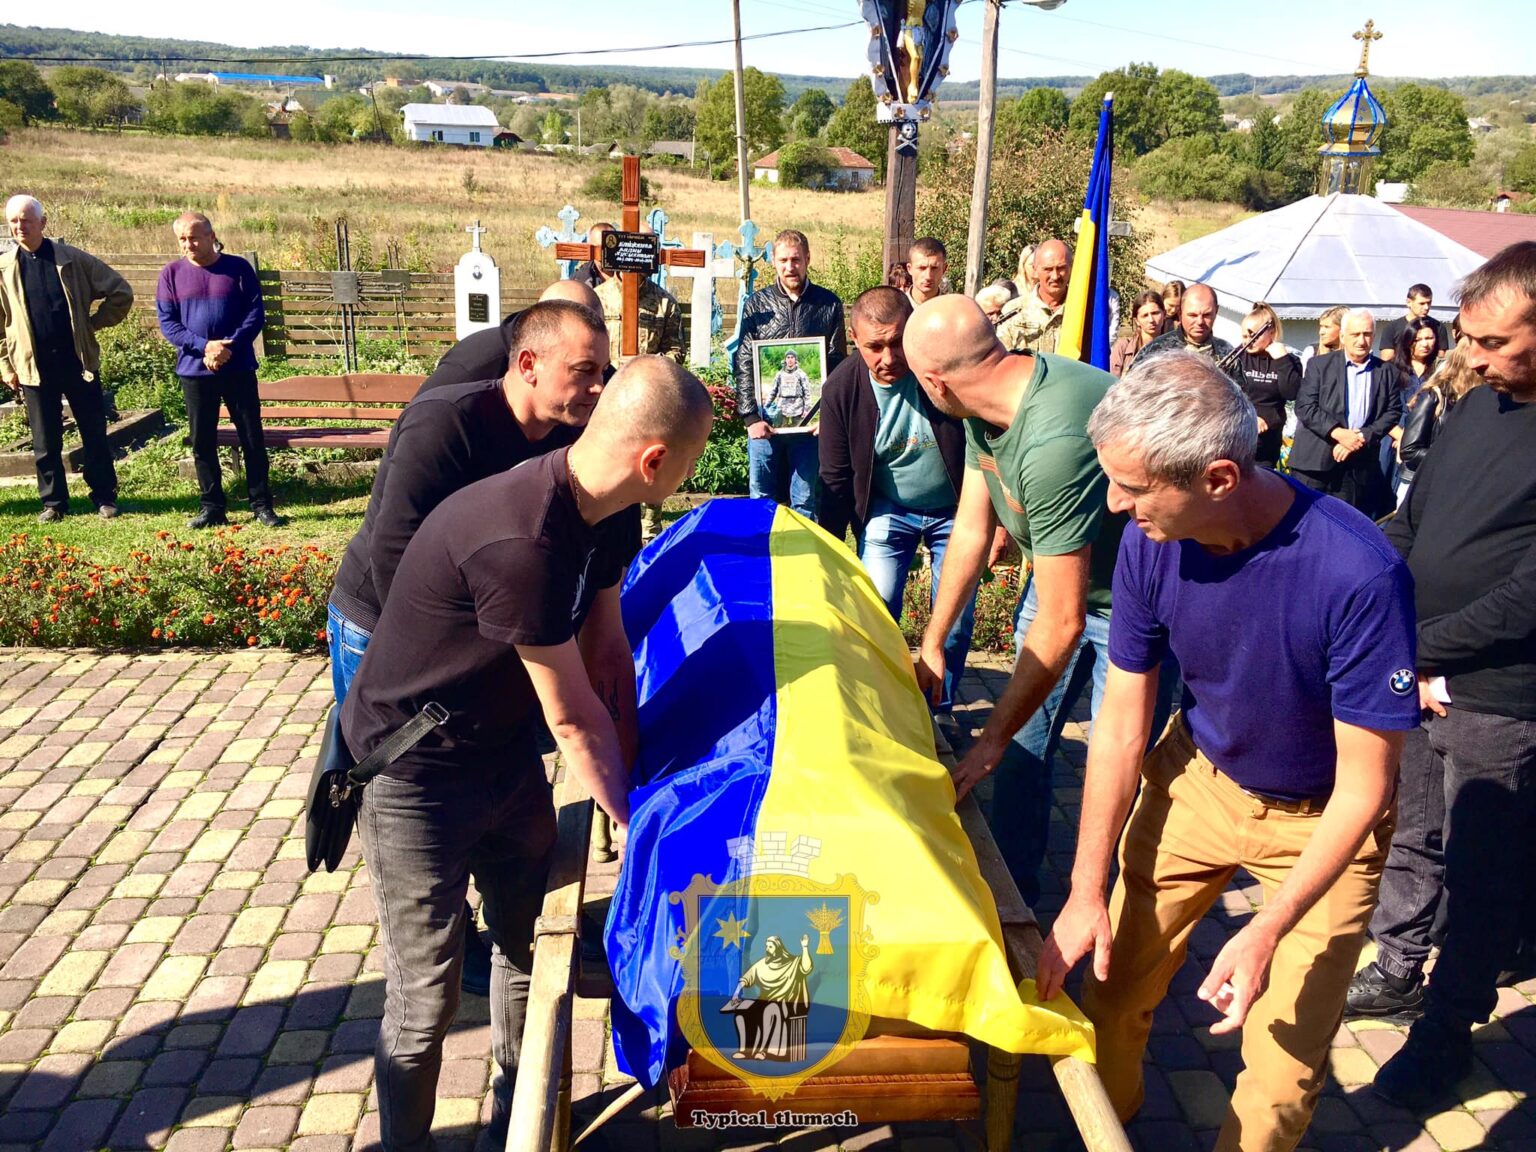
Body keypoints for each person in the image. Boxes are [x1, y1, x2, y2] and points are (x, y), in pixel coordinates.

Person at [1037, 350, 1417, 1152]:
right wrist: (1082, 888)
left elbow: (1366, 788)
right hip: (1198, 781)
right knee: (1112, 993)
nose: (1115, 503)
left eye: (1134, 487)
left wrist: (1270, 925)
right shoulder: (1150, 539)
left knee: (1280, 1076)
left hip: (1324, 825)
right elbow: (1121, 723)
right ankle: (1113, 1130)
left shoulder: (1358, 574)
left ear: (1216, 479)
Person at [341, 355, 712, 1152]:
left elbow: (607, 653)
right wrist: (642, 825)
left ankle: (522, 1117)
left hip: (501, 755)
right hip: (416, 777)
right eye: (692, 457)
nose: (692, 471)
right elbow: (574, 719)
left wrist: (640, 765)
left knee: (524, 946)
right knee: (426, 996)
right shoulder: (522, 537)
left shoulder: (608, 506)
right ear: (655, 460)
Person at [327, 301, 618, 998]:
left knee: (487, 758)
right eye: (586, 372)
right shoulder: (447, 426)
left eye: (606, 373)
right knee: (399, 754)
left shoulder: (576, 437)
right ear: (527, 365)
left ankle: (497, 923)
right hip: (385, 617)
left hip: (490, 614)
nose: (600, 389)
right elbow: (403, 564)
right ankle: (437, 914)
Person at [903, 296, 1172, 906]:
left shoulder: (1054, 439)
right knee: (1024, 756)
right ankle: (1013, 897)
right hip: (1061, 591)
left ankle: (1100, 916)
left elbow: (1064, 620)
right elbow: (972, 529)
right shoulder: (985, 405)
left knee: (1116, 779)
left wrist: (988, 740)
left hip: (1135, 611)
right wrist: (934, 641)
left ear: (934, 380)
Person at [1354, 242, 1536, 1111]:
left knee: (1481, 870)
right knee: (1412, 836)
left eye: (1497, 343)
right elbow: (1411, 521)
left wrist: (1422, 649)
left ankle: (1447, 1031)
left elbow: (1528, 599)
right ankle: (1396, 968)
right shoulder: (1477, 404)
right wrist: (1363, 589)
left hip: (1499, 696)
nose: (1477, 358)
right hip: (1416, 669)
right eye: (1472, 339)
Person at [817, 286, 972, 713]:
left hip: (955, 512)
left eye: (896, 342)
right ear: (854, 341)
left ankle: (938, 711)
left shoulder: (942, 370)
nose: (888, 358)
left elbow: (986, 445)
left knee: (955, 624)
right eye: (874, 347)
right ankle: (889, 709)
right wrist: (829, 550)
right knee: (878, 610)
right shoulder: (841, 390)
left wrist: (997, 521)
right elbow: (834, 477)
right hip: (889, 508)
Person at [0, 194, 130, 522]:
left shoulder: (72, 260)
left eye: (26, 220)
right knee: (45, 441)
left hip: (77, 362)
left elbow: (121, 292)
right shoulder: (4, 269)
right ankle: (54, 503)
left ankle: (103, 496)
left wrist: (91, 325)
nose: (20, 226)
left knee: (94, 433)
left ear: (43, 223)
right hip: (34, 367)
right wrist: (6, 364)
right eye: (13, 221)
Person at [155, 212, 280, 529]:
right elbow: (169, 324)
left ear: (212, 236)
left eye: (194, 237)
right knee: (202, 440)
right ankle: (212, 506)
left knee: (251, 437)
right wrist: (204, 347)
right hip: (195, 372)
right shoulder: (170, 274)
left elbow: (255, 313)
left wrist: (228, 349)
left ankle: (262, 504)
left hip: (237, 368)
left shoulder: (238, 268)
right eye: (182, 239)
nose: (189, 244)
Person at [734, 229, 847, 518]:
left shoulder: (828, 304)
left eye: (796, 260)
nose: (789, 267)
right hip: (765, 423)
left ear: (807, 259)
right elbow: (745, 361)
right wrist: (750, 417)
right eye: (783, 260)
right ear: (773, 261)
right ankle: (761, 558)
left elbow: (836, 365)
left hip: (810, 427)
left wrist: (828, 417)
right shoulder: (757, 305)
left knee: (806, 500)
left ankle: (805, 560)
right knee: (761, 499)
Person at [1289, 309, 1403, 520]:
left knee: (1344, 529)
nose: (1362, 340)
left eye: (1367, 334)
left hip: (1355, 470)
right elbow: (1305, 406)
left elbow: (1392, 412)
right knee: (1303, 524)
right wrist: (1338, 433)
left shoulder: (1386, 372)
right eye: (1355, 334)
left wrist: (1360, 436)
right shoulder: (1320, 365)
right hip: (1314, 466)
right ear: (1343, 336)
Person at [419, 279, 603, 393]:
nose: (598, 386)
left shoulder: (596, 371)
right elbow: (424, 422)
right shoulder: (473, 367)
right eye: (584, 368)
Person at [1390, 345, 1478, 506]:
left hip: (1453, 484)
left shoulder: (1475, 399)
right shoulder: (1434, 396)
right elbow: (1409, 450)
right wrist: (1452, 459)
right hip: (1419, 483)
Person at [585, 223, 685, 364]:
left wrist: (648, 367)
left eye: (649, 247)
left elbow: (676, 351)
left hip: (647, 382)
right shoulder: (597, 298)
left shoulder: (665, 303)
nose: (642, 254)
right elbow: (585, 346)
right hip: (608, 382)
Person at [1231, 302, 1303, 469]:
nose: (1248, 342)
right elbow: (1225, 395)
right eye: (1244, 336)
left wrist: (1282, 360)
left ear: (1270, 332)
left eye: (1253, 335)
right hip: (1239, 438)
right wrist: (1250, 417)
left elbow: (1291, 393)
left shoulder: (1289, 360)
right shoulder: (1239, 357)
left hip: (1268, 444)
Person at [724, 935, 813, 1061]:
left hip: (784, 1003)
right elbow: (746, 979)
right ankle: (745, 1050)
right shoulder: (762, 964)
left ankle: (763, 1051)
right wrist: (736, 993)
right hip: (763, 1001)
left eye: (770, 946)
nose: (767, 949)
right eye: (766, 946)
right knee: (742, 1011)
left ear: (778, 948)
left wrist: (804, 947)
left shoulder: (791, 963)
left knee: (770, 1010)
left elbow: (806, 967)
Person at [997, 238, 1070, 354]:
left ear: (1071, 268)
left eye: (1061, 268)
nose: (1055, 276)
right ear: (1035, 270)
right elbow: (1003, 360)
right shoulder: (1013, 312)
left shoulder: (1084, 313)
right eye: (1048, 269)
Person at [1138, 282, 1238, 367]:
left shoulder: (1227, 353)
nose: (1200, 322)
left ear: (1216, 312)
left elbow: (1241, 389)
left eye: (1207, 315)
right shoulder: (1156, 350)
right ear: (1180, 313)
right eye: (1193, 315)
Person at [1377, 283, 1449, 361]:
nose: (1426, 307)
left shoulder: (1438, 327)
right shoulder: (1391, 328)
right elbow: (1386, 359)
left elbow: (1440, 359)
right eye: (1422, 303)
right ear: (1409, 302)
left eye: (1429, 303)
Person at [1108, 290, 1166, 377]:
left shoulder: (1174, 349)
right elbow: (1112, 382)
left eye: (1155, 313)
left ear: (1164, 314)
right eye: (1145, 315)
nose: (1151, 320)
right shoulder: (1122, 347)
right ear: (1137, 321)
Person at [763, 350, 812, 426]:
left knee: (799, 431)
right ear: (785, 359)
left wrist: (807, 409)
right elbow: (773, 391)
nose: (790, 359)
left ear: (795, 359)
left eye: (792, 357)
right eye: (788, 357)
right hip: (782, 407)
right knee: (781, 431)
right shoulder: (779, 374)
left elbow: (807, 392)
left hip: (798, 407)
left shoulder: (801, 374)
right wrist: (766, 405)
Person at [1299, 304, 1347, 373]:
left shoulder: (1356, 353)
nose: (1321, 332)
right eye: (1321, 326)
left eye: (1327, 327)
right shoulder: (1311, 352)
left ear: (1342, 328)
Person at [569, 221, 614, 289]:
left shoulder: (631, 275)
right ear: (590, 248)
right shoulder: (579, 280)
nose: (606, 253)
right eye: (600, 248)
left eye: (610, 247)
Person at [908, 236, 948, 307]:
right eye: (922, 268)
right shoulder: (894, 309)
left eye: (934, 268)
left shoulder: (952, 311)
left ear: (944, 269)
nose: (928, 276)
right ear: (909, 269)